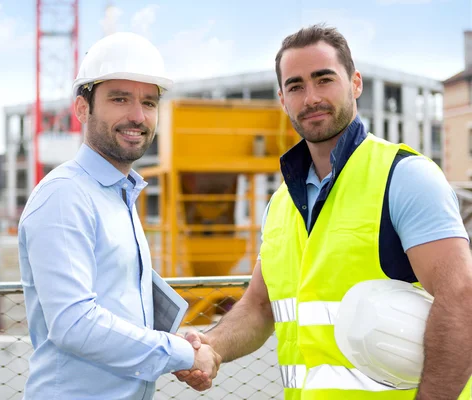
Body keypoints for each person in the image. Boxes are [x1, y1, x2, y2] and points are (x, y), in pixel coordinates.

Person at [175, 24, 472, 399]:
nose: (311, 97)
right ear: (283, 99)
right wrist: (213, 347)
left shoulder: (404, 177)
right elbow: (260, 305)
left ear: (355, 83)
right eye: (296, 86)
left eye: (324, 79)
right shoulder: (281, 204)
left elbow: (460, 298)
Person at [18, 32, 221, 400]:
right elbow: (74, 324)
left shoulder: (119, 196)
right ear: (82, 108)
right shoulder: (64, 195)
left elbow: (117, 310)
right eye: (120, 99)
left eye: (148, 102)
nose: (137, 116)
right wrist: (180, 353)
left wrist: (173, 343)